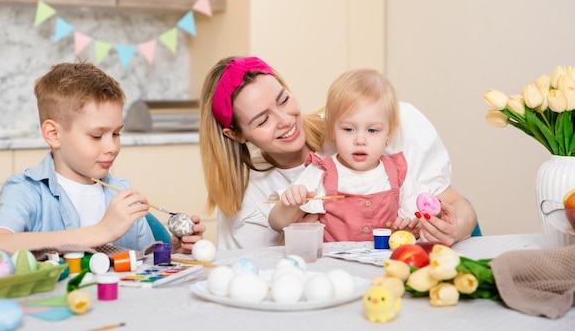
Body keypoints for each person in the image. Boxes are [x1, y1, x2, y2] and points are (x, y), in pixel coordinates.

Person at [199, 56, 477, 249]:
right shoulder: (248, 196)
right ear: (235, 135)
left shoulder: (373, 123)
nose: (285, 120)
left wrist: (454, 228)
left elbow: (458, 206)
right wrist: (295, 231)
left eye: (284, 99)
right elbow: (266, 271)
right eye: (262, 120)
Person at [0, 61, 205, 253]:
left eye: (116, 133)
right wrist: (102, 231)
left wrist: (177, 252)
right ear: (53, 134)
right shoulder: (26, 191)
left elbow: (147, 266)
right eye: (97, 135)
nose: (112, 147)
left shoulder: (122, 195)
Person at [268, 69, 422, 241]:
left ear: (388, 133)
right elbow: (277, 223)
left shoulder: (398, 173)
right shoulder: (321, 172)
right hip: (333, 265)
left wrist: (410, 225)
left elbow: (416, 218)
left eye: (372, 130)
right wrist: (290, 204)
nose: (360, 140)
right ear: (332, 131)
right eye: (348, 129)